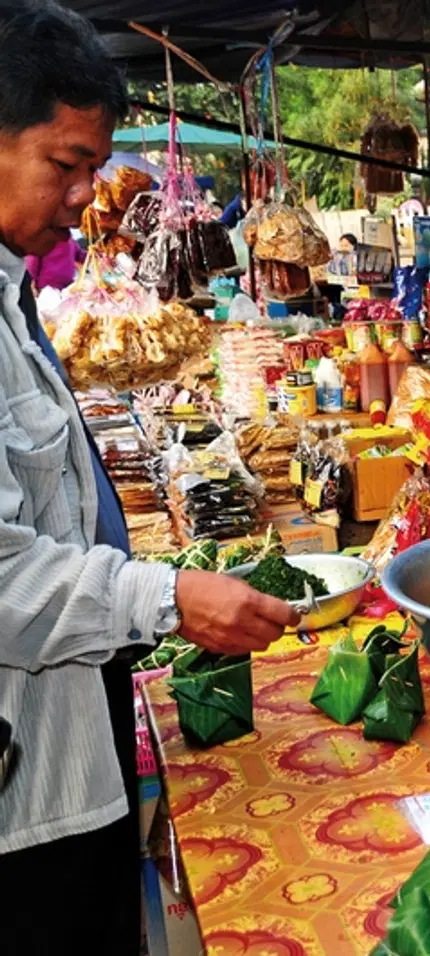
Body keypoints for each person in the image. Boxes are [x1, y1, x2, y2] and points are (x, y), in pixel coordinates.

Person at [0, 5, 299, 952]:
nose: (87, 195)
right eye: (67, 162)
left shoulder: (10, 290)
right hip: (21, 797)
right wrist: (164, 596)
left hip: (64, 757)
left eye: (96, 166)